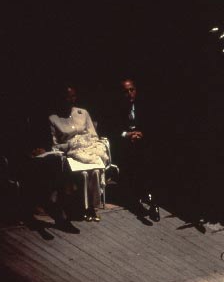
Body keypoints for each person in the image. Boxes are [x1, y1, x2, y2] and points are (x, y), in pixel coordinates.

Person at [48, 85, 104, 222]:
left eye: (73, 96)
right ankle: (83, 208)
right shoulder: (54, 118)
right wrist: (71, 145)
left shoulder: (83, 113)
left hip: (88, 148)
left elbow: (93, 135)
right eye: (67, 97)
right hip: (71, 152)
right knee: (84, 173)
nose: (70, 100)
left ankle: (92, 208)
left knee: (96, 170)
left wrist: (88, 145)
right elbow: (55, 145)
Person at [112, 78, 159, 221]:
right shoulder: (116, 107)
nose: (130, 93)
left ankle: (153, 201)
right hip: (125, 144)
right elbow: (112, 129)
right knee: (133, 164)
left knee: (149, 160)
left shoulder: (144, 105)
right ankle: (137, 199)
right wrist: (127, 135)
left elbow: (152, 125)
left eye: (132, 90)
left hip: (142, 142)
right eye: (126, 91)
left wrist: (141, 133)